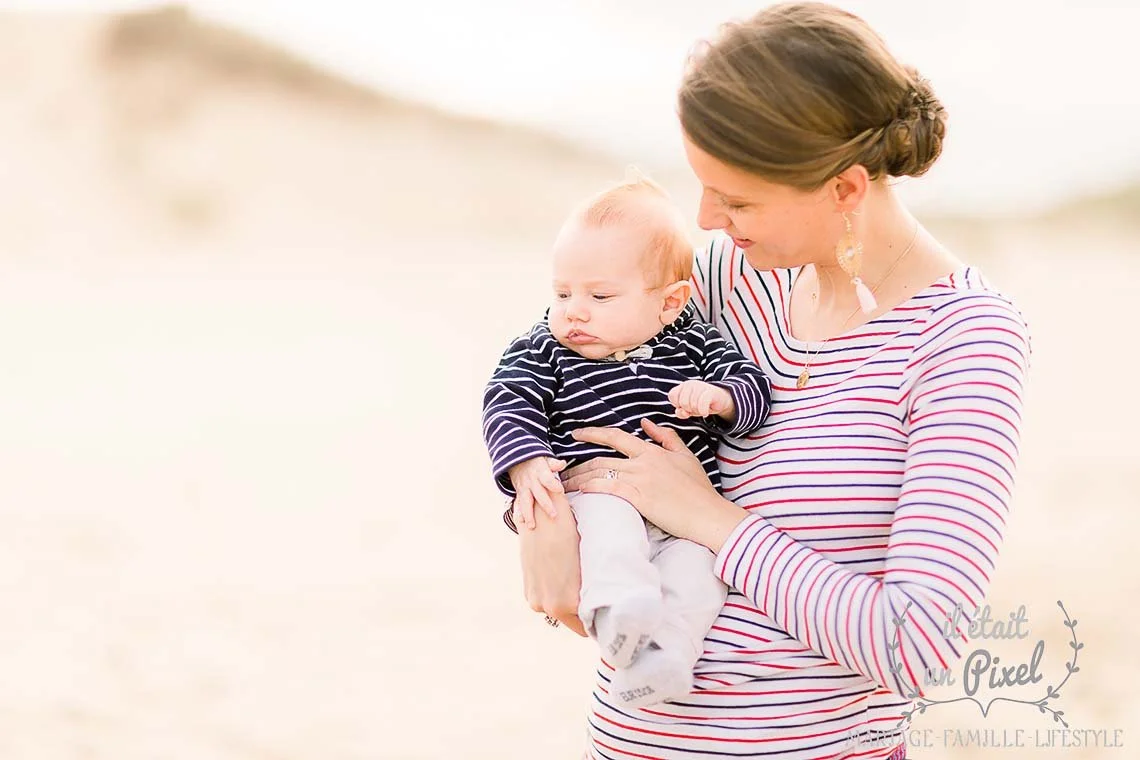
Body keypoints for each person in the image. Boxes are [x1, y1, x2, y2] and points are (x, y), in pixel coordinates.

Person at [513, 3, 1031, 759]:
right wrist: (544, 527)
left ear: (846, 189)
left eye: (738, 198)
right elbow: (559, 355)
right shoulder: (729, 278)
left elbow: (917, 645)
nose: (706, 218)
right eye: (702, 186)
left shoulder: (963, 338)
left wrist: (708, 518)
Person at [482, 175, 773, 707]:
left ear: (670, 302)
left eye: (600, 295)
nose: (575, 310)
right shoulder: (546, 347)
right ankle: (621, 612)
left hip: (684, 516)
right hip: (597, 492)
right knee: (611, 538)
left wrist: (720, 400)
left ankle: (667, 657)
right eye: (562, 292)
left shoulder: (695, 341)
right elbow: (507, 399)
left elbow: (753, 390)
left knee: (701, 574)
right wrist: (526, 465)